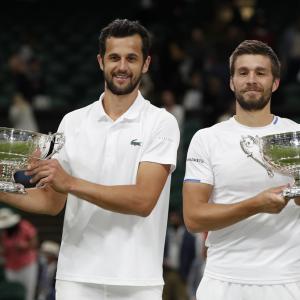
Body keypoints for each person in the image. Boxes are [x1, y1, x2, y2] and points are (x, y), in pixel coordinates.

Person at [0, 19, 180, 300]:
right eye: (114, 58)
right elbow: (50, 202)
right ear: (100, 61)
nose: (122, 67)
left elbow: (143, 200)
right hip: (76, 278)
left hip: (138, 281)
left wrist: (70, 182)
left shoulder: (161, 122)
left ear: (146, 64)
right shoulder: (72, 122)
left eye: (131, 58)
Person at [183, 39, 300, 300]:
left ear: (276, 82)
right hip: (224, 281)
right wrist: (255, 204)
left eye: (261, 72)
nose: (251, 79)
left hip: (286, 280)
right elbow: (193, 217)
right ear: (232, 82)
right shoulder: (207, 139)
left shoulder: (296, 135)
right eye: (243, 72)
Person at [0, 208, 39, 300]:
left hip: (27, 265)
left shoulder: (24, 226)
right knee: (13, 293)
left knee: (28, 294)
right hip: (11, 267)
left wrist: (25, 246)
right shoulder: (3, 232)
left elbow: (35, 243)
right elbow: (3, 249)